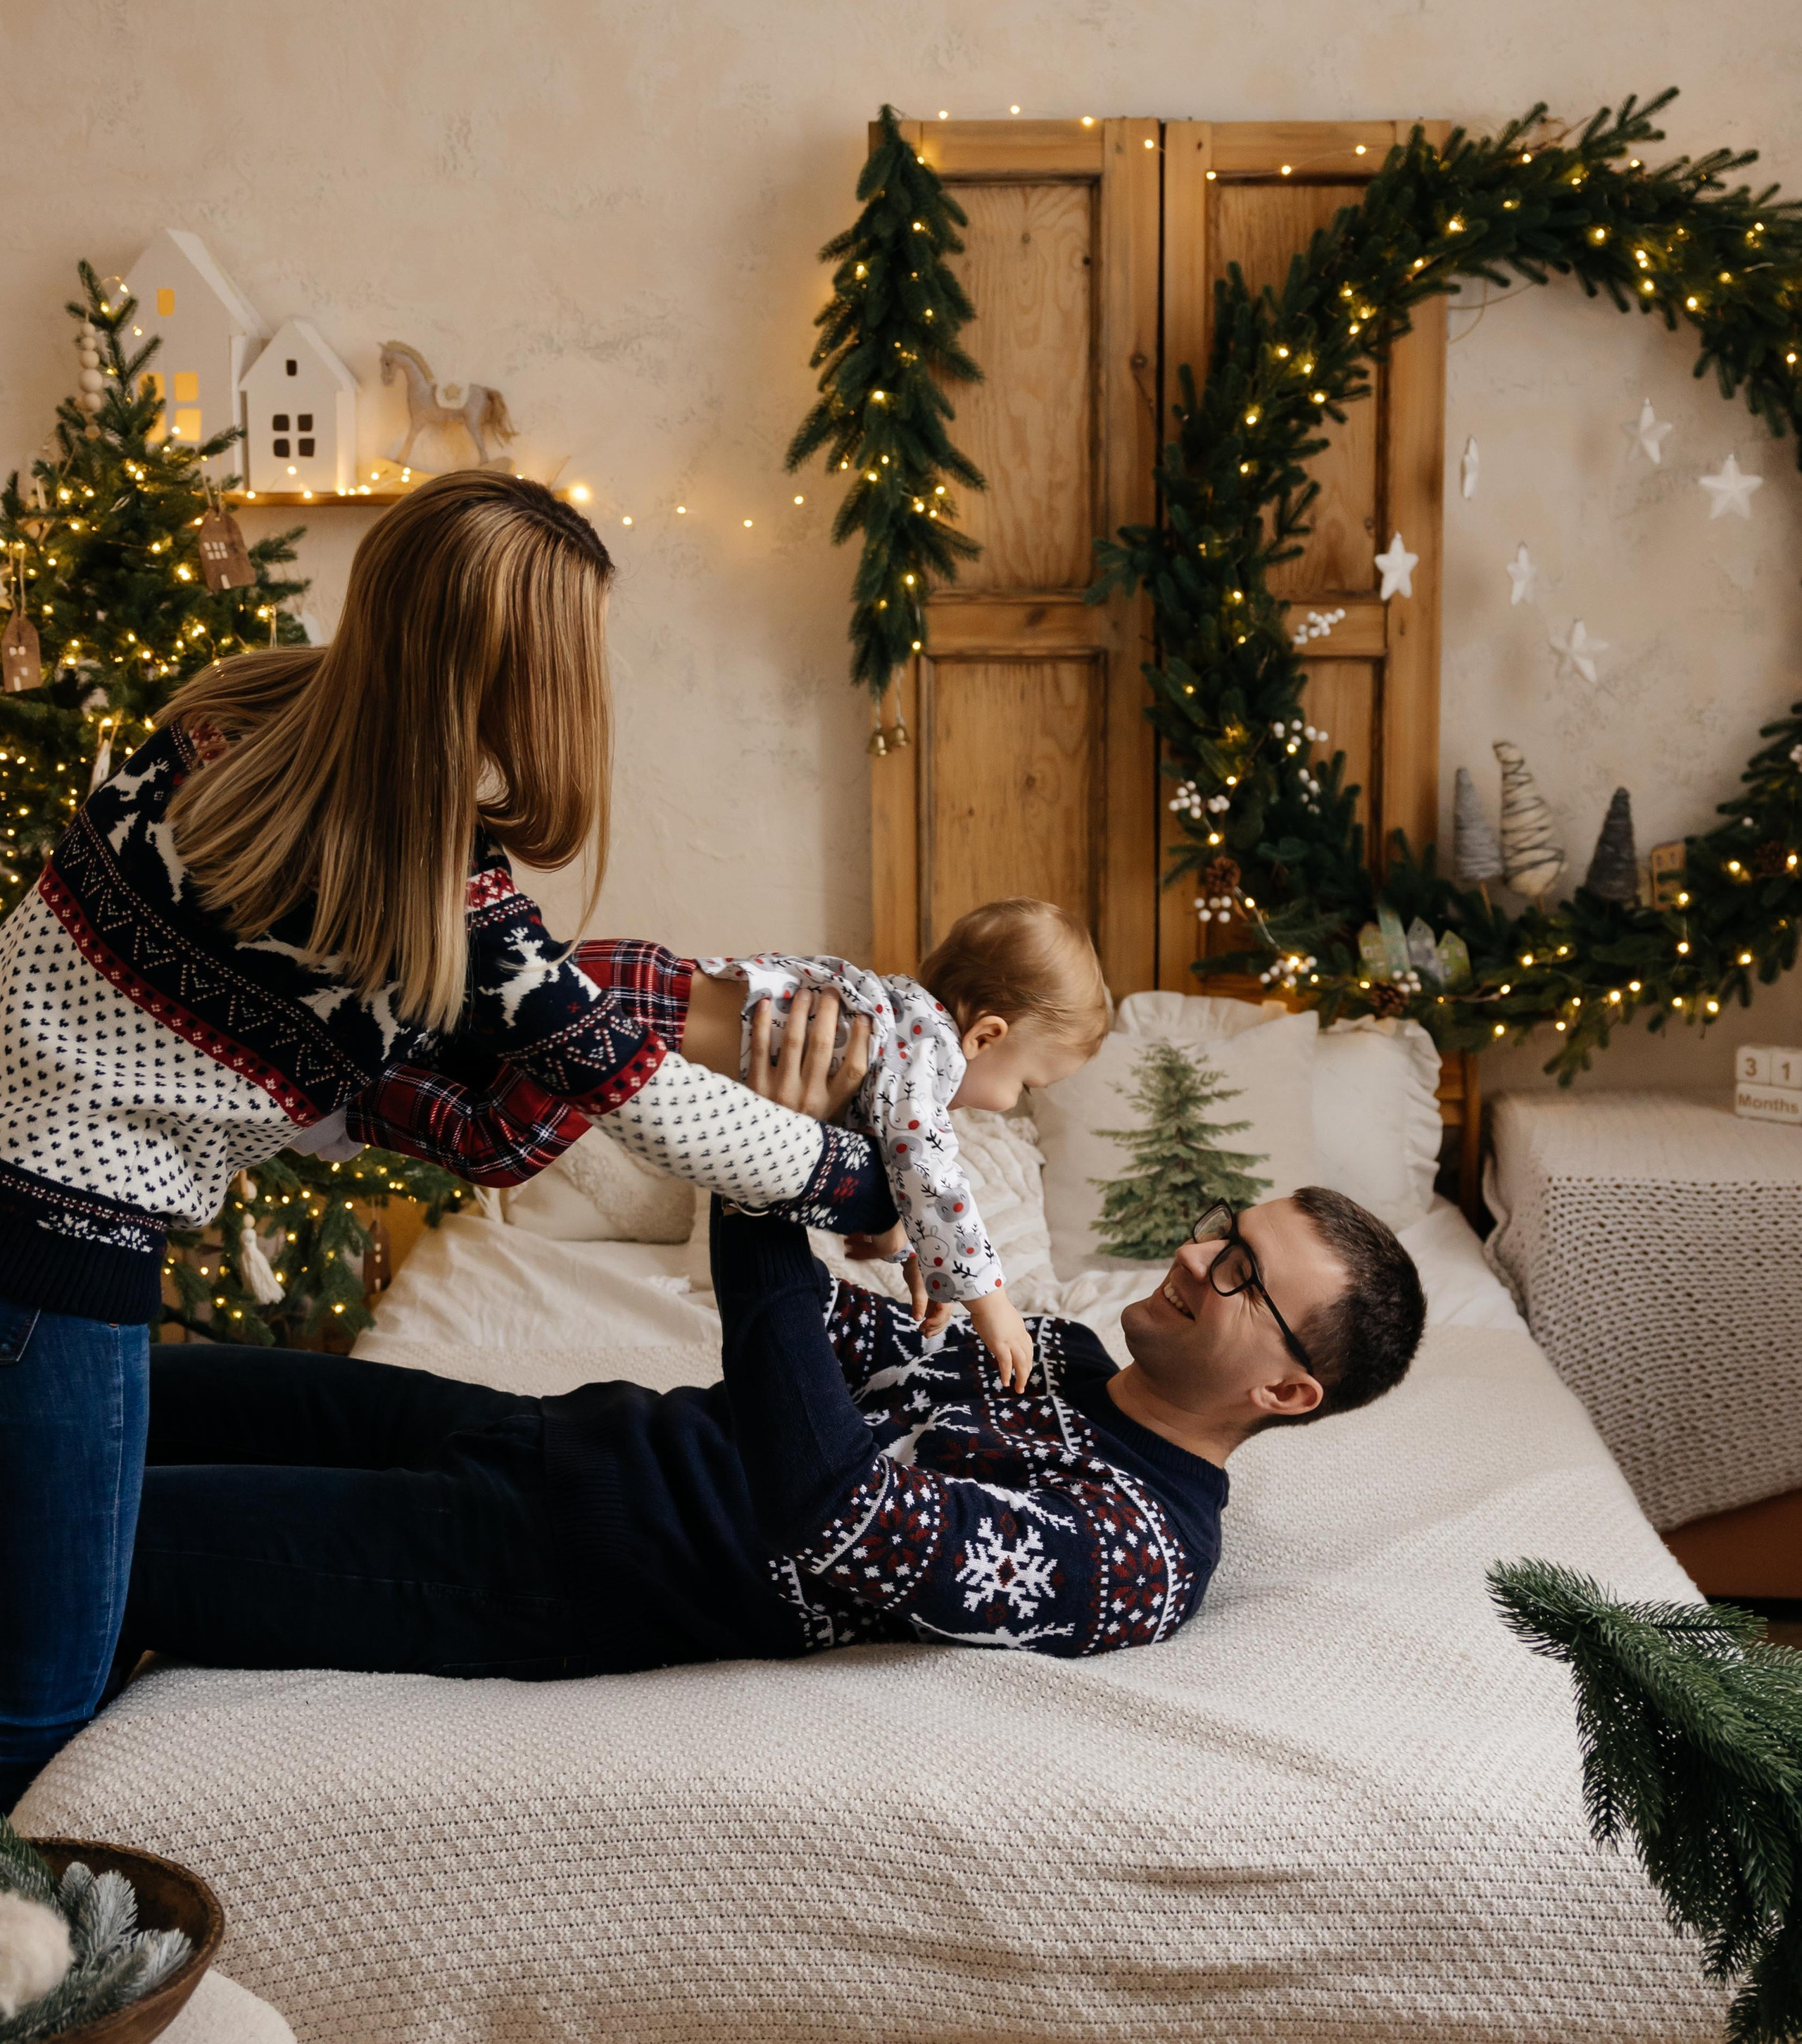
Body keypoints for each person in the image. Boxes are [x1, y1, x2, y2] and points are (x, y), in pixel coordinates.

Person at [0, 472, 897, 1811]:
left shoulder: (222, 723)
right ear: (521, 674)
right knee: (46, 1692)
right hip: (53, 1263)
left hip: (36, 1231)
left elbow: (333, 1054)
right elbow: (654, 1102)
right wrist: (873, 1183)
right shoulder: (439, 891)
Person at [113, 1000, 1426, 1680]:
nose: (1198, 1253)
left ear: (1289, 1387)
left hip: (555, 1565)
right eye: (1221, 1226)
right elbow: (821, 1324)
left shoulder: (1141, 1549)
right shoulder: (1066, 1359)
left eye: (1245, 1271)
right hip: (548, 1431)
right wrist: (838, 1167)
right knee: (135, 1392)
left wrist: (761, 1172)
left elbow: (832, 1516)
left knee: (91, 1532)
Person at [573, 897, 1111, 1394]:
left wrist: (900, 1244)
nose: (1011, 1103)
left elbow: (878, 1161)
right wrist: (992, 1303)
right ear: (985, 1036)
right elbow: (932, 1175)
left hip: (635, 995)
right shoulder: (930, 1050)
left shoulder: (902, 1028)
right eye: (1024, 1087)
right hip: (626, 1013)